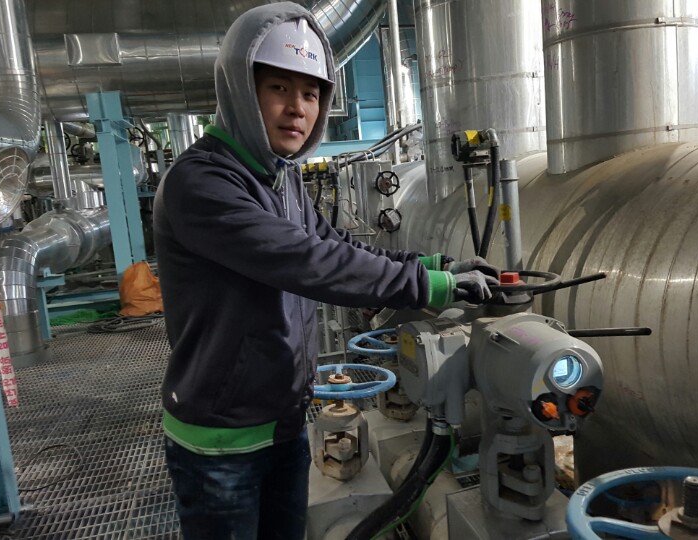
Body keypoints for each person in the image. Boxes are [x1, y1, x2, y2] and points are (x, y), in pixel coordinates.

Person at [152, 3, 497, 539]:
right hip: (222, 443)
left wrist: (429, 264)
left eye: (311, 94)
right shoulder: (201, 183)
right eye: (279, 88)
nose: (298, 108)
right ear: (241, 89)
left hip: (286, 421)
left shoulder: (282, 177)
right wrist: (429, 287)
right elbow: (309, 261)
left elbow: (333, 243)